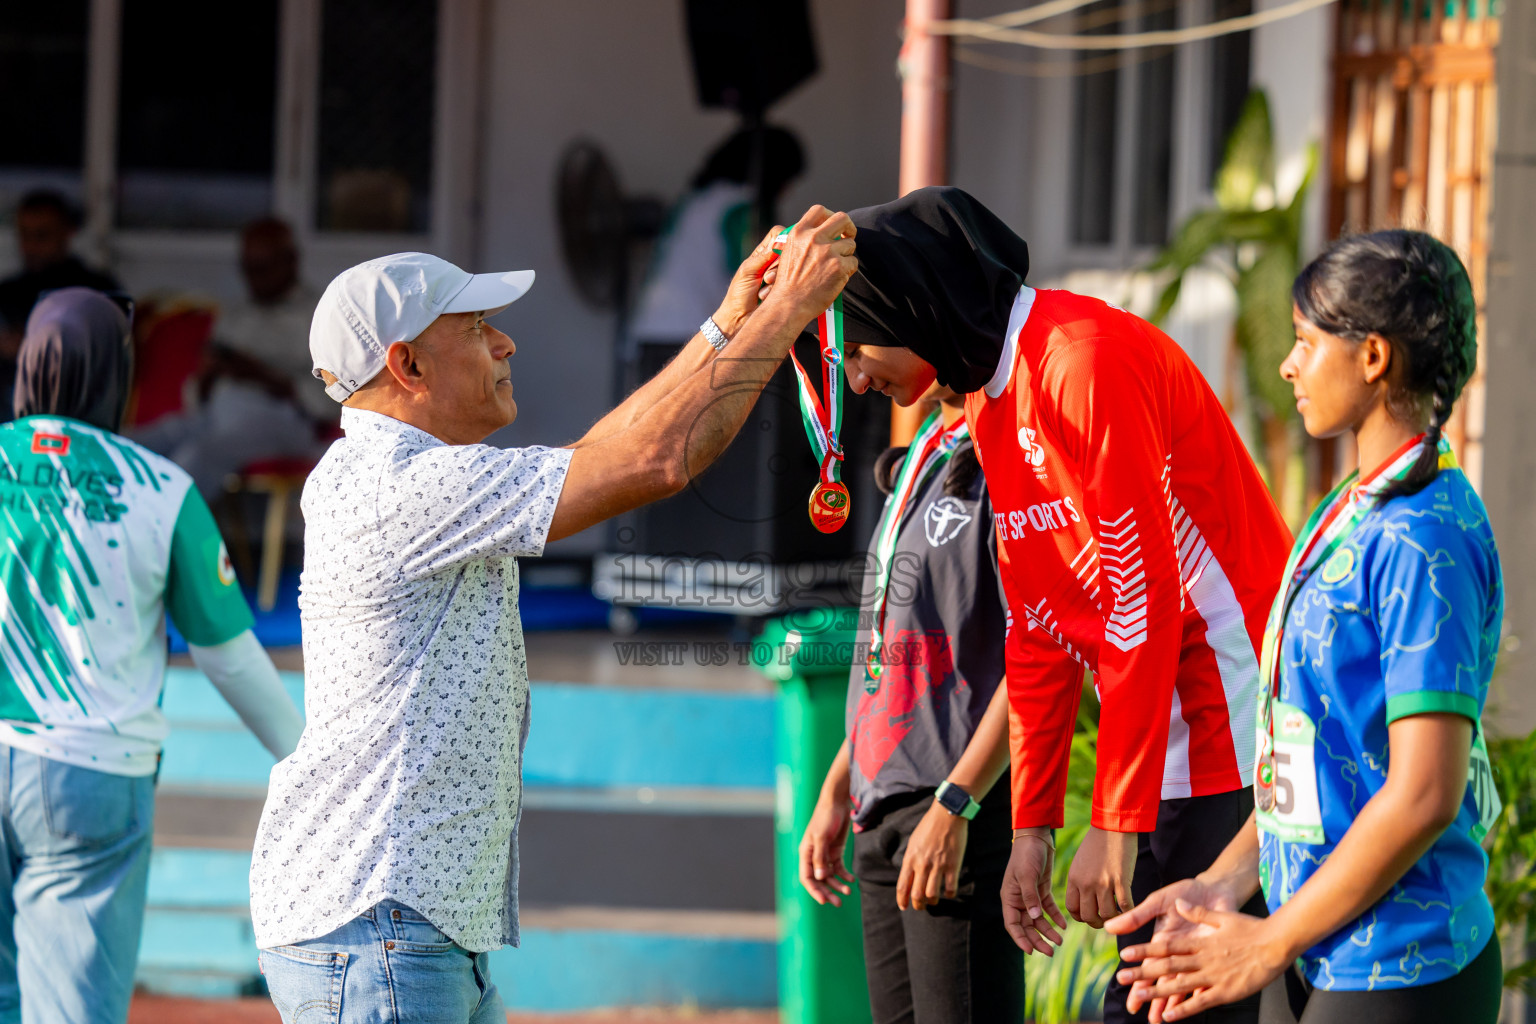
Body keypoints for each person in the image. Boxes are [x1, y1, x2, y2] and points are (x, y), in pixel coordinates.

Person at [248, 208, 856, 1024]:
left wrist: (729, 322)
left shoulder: (402, 470)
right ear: (408, 364)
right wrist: (787, 314)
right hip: (380, 926)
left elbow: (613, 447)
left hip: (398, 924)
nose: (505, 345)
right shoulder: (399, 485)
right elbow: (653, 460)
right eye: (478, 328)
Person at [836, 187, 1293, 1023]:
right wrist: (1035, 824)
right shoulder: (988, 398)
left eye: (859, 347)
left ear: (915, 307)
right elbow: (1040, 627)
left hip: (1225, 704)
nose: (858, 377)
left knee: (1166, 1004)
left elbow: (1140, 598)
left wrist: (1114, 820)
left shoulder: (1081, 358)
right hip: (1165, 717)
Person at [1108, 230, 1503, 1024]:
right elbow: (1313, 750)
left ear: (1374, 358)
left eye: (1305, 341)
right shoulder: (1350, 506)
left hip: (1399, 962)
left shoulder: (1425, 536)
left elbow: (1426, 792)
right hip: (1314, 945)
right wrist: (1223, 883)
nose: (1287, 365)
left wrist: (1267, 941)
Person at [0, 288, 304, 1023]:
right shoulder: (161, 492)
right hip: (92, 781)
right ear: (119, 375)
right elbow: (228, 657)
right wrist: (308, 762)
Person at [799, 383, 1021, 1024]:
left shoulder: (1011, 458)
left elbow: (1039, 659)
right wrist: (840, 783)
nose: (858, 373)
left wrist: (956, 804)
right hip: (881, 804)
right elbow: (899, 659)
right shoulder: (926, 446)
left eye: (868, 342)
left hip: (955, 804)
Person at [134, 217, 328, 498]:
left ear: (291, 260)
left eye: (263, 268)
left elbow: (329, 400)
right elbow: (195, 397)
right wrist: (209, 375)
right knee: (140, 442)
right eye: (248, 269)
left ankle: (159, 532)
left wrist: (258, 374)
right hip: (216, 414)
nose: (254, 278)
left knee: (197, 455)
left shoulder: (319, 314)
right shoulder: (235, 314)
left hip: (281, 422)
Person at [628, 126, 805, 348]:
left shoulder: (693, 200)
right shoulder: (743, 208)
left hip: (651, 327)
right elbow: (754, 274)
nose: (788, 192)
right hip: (693, 334)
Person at [0, 190, 120, 422]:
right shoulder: (7, 292)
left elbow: (109, 358)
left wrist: (32, 349)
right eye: (24, 235)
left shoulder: (95, 290)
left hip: (72, 411)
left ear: (68, 232)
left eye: (42, 235)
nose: (31, 245)